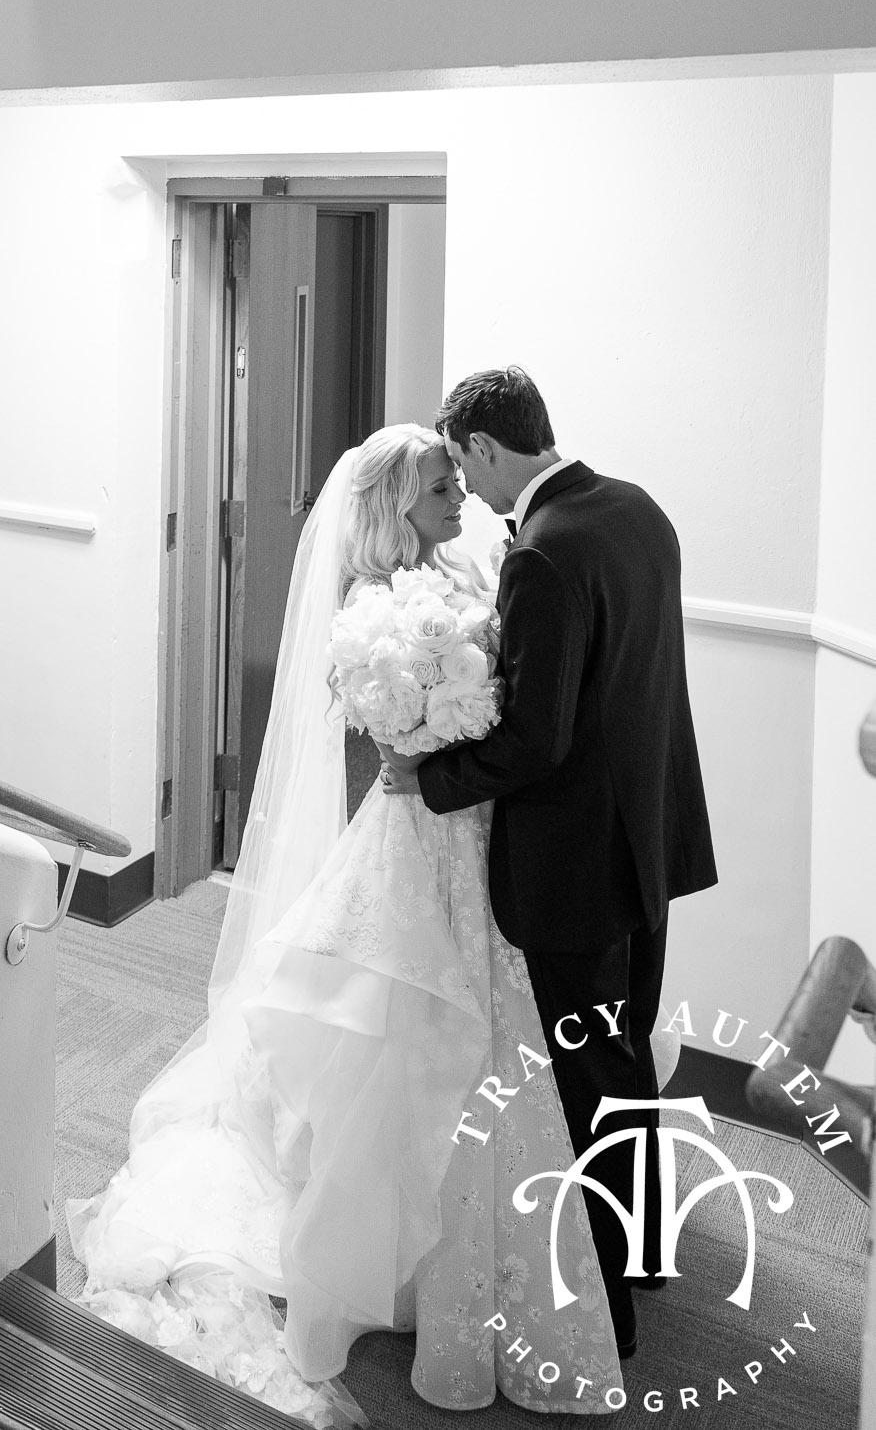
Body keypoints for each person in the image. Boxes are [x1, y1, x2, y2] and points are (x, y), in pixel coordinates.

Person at [69, 423, 626, 1421]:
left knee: (486, 1031)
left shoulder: (470, 562)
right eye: (438, 491)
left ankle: (464, 1246)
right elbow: (386, 729)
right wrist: (432, 726)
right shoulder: (370, 610)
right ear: (391, 509)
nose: (459, 501)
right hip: (417, 837)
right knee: (394, 1033)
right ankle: (374, 1253)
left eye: (458, 483)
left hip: (478, 833)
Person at [390, 366, 717, 1362]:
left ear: (488, 447)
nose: (471, 489)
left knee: (588, 1075)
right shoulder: (639, 512)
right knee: (626, 1058)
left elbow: (537, 738)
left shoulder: (543, 552)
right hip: (652, 842)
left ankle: (607, 1309)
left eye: (465, 466)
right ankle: (647, 1251)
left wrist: (428, 774)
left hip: (578, 864)